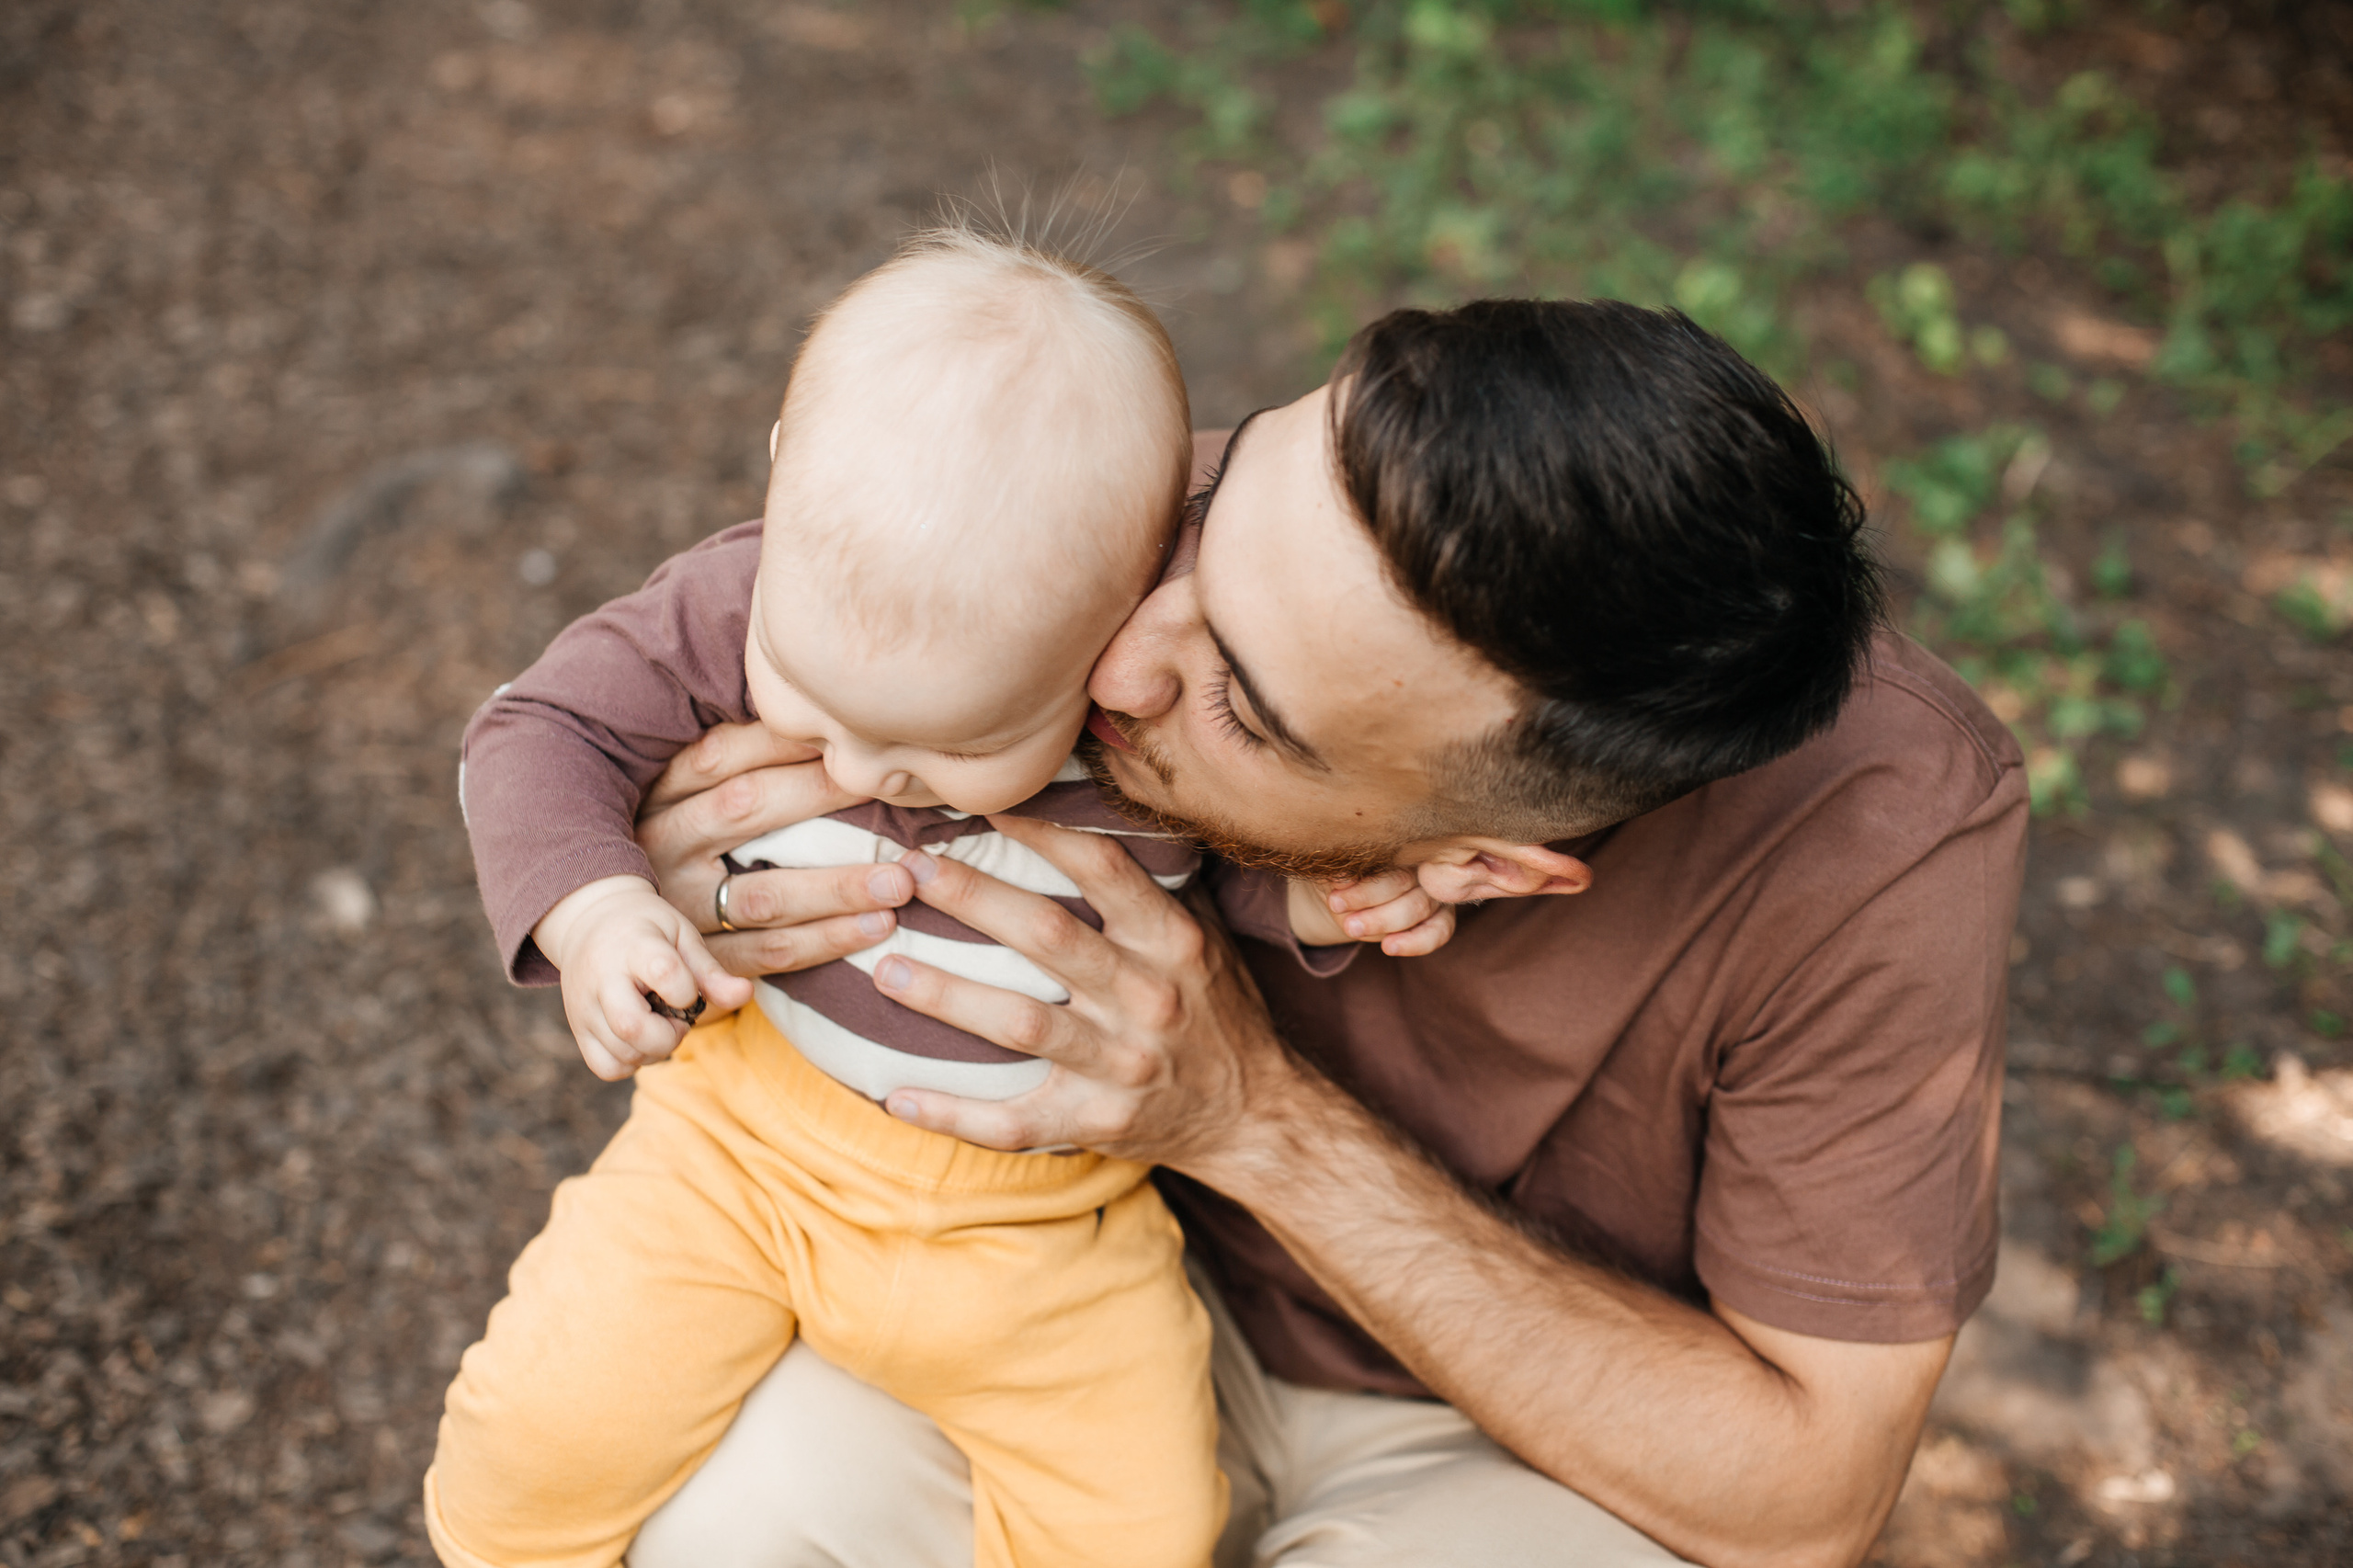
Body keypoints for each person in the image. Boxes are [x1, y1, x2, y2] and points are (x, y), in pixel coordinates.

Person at [618, 298, 2028, 1568]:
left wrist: (1251, 1116)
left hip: (1511, 1442)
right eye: (1211, 520)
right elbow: (687, 681)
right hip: (1038, 1275)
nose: (1114, 658)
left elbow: (1802, 1500)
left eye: (1240, 703)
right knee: (739, 1511)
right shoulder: (1116, 491)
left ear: (1483, 864)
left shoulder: (1879, 846)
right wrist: (694, 842)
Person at [426, 227, 1446, 1568]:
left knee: (1145, 1524)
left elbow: (1211, 881)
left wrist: (1322, 911)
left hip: (1040, 1235)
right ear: (785, 472)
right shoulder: (734, 597)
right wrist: (601, 908)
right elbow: (536, 734)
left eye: (948, 752)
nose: (852, 768)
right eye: (808, 686)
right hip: (735, 1157)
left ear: (1122, 618)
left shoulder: (1130, 702)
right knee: (542, 1435)